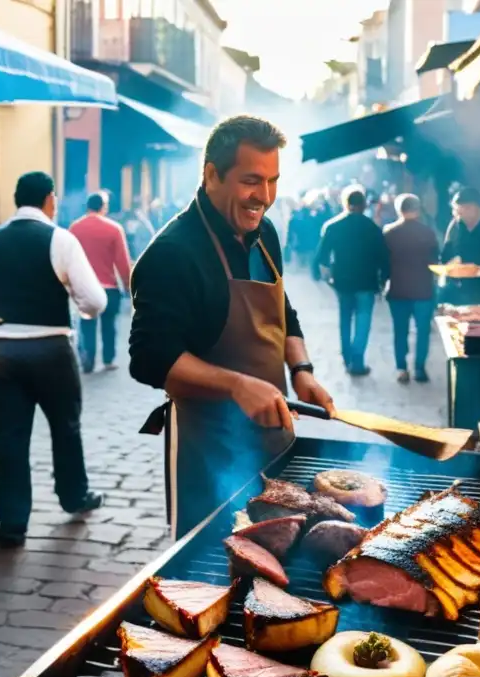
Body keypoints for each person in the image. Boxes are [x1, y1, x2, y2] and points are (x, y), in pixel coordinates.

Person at [129, 115, 335, 539]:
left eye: (273, 180)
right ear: (211, 175)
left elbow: (283, 311)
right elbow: (149, 359)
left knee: (279, 553)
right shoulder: (173, 253)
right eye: (251, 180)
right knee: (211, 563)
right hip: (208, 448)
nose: (264, 196)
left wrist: (301, 370)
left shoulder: (266, 234)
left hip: (273, 436)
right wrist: (238, 386)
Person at [0, 172, 107, 550]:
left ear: (16, 200)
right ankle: (74, 497)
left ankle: (12, 526)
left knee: (10, 437)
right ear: (50, 200)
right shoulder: (60, 240)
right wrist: (74, 302)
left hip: (3, 355)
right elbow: (95, 302)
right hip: (52, 352)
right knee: (65, 429)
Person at [314, 185, 389, 375]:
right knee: (363, 321)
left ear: (345, 203)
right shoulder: (372, 228)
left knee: (345, 318)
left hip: (342, 282)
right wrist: (385, 280)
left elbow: (322, 256)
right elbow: (383, 257)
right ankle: (357, 361)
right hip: (367, 281)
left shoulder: (332, 226)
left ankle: (346, 356)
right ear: (364, 205)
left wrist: (325, 276)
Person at [70, 191, 132, 372]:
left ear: (87, 206)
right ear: (103, 207)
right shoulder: (114, 228)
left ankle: (87, 361)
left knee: (86, 325)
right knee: (109, 325)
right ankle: (108, 359)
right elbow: (122, 261)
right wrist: (128, 284)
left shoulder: (75, 228)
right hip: (109, 287)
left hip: (84, 287)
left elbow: (69, 259)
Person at [383, 193, 440, 384]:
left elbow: (383, 264)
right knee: (422, 331)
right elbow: (435, 261)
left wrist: (383, 283)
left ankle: (401, 368)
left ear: (399, 209)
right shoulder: (428, 233)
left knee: (400, 331)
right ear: (418, 209)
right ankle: (419, 368)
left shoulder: (389, 233)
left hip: (398, 290)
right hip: (423, 290)